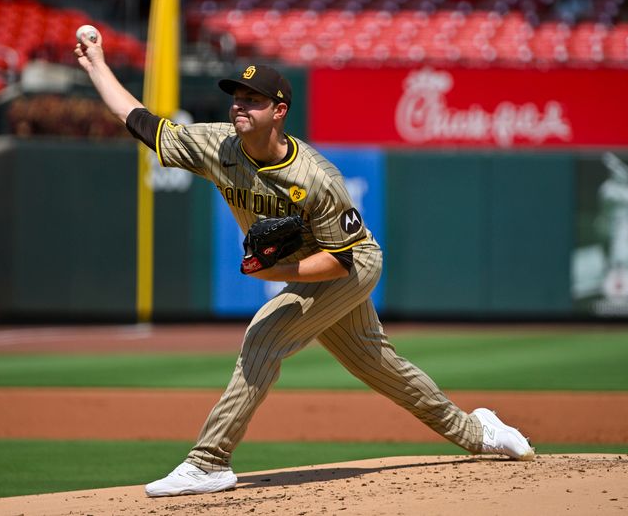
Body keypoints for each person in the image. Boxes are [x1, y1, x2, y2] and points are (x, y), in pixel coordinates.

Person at [74, 30, 534, 498]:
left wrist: (276, 274)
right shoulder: (219, 146)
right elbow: (142, 123)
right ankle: (478, 432)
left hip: (351, 264)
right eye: (236, 96)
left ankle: (209, 461)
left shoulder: (315, 178)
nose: (239, 105)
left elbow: (340, 259)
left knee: (264, 336)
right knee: (382, 369)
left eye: (253, 99)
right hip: (306, 267)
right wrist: (96, 66)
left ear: (279, 111)